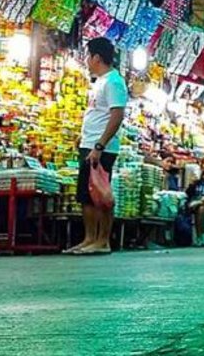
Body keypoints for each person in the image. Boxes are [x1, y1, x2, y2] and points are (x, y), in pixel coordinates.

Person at [65, 38, 128, 255]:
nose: (85, 60)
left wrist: (99, 146)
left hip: (101, 148)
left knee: (100, 194)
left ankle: (103, 240)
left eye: (87, 55)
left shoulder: (113, 82)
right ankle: (89, 238)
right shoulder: (99, 81)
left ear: (97, 57)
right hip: (90, 144)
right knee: (86, 194)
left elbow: (117, 115)